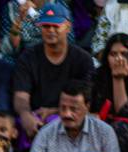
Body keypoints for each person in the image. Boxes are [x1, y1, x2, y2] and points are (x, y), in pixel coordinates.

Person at [12, 3, 95, 140]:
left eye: (56, 26)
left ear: (68, 27)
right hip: (35, 118)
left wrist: (54, 112)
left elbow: (86, 102)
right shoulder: (28, 57)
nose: (50, 30)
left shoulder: (83, 59)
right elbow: (21, 95)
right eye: (46, 26)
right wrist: (25, 115)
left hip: (69, 117)